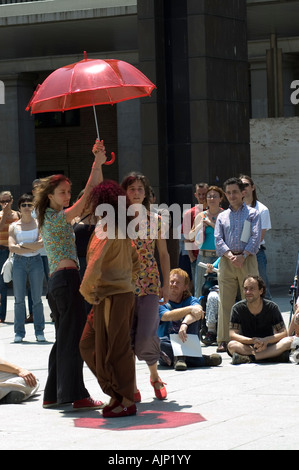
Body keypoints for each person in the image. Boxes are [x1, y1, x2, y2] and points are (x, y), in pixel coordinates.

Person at [34, 139, 106, 411]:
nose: (67, 196)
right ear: (50, 195)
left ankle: (53, 394)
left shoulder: (53, 217)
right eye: (63, 193)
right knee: (73, 339)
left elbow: (90, 193)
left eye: (68, 192)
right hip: (66, 280)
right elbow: (87, 196)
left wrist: (98, 163)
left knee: (64, 338)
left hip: (59, 282)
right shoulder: (54, 217)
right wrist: (95, 163)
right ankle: (74, 395)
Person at [79, 180, 140, 418]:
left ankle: (125, 399)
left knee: (117, 348)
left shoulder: (107, 227)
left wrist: (86, 292)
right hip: (116, 295)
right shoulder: (118, 227)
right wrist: (128, 281)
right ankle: (118, 393)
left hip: (111, 297)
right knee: (90, 344)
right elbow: (135, 261)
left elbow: (93, 266)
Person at [121, 172, 170, 401]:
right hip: (124, 285)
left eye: (140, 189)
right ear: (125, 193)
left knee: (146, 335)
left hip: (150, 283)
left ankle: (154, 375)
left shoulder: (156, 220)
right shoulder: (117, 221)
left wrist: (167, 285)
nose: (136, 193)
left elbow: (163, 253)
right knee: (127, 336)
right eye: (132, 189)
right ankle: (131, 384)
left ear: (146, 193)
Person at [214, 177, 261, 353]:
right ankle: (224, 339)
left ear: (242, 193)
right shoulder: (222, 216)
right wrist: (230, 255)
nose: (232, 195)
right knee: (225, 301)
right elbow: (218, 239)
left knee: (250, 299)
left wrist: (244, 255)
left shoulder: (252, 214)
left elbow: (255, 237)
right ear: (225, 195)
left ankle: (250, 337)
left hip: (247, 260)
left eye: (235, 192)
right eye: (229, 192)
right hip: (227, 262)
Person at [158, 268, 222, 370]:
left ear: (185, 287)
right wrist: (189, 309)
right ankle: (199, 360)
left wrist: (184, 324)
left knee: (196, 315)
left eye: (178, 282)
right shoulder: (160, 302)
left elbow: (198, 311)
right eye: (172, 281)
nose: (174, 284)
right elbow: (166, 316)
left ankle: (181, 359)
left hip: (188, 342)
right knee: (158, 344)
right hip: (169, 344)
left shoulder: (191, 300)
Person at [228, 276, 293, 364]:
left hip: (268, 345)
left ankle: (251, 358)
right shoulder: (237, 308)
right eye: (245, 289)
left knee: (289, 341)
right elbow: (232, 334)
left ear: (261, 291)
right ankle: (271, 356)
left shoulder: (272, 307)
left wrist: (265, 340)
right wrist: (252, 341)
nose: (248, 292)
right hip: (247, 346)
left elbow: (283, 333)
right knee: (232, 345)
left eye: (252, 289)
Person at [8, 193, 46, 343]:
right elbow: (11, 247)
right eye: (23, 205)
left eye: (29, 204)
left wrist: (22, 246)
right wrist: (30, 247)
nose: (26, 207)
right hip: (19, 263)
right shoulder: (13, 226)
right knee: (18, 299)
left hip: (36, 262)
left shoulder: (39, 224)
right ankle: (19, 332)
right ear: (19, 207)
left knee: (37, 299)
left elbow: (41, 244)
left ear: (33, 207)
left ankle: (39, 331)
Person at [240, 175, 272, 299]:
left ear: (253, 187)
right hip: (238, 254)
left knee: (262, 289)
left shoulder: (262, 210)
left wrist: (245, 254)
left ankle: (271, 317)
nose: (244, 188)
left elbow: (259, 237)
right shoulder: (236, 209)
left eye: (246, 185)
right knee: (243, 290)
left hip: (256, 254)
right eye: (241, 185)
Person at [189, 185, 224, 297]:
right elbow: (190, 236)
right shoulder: (201, 215)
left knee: (222, 289)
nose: (212, 199)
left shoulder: (225, 215)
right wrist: (199, 225)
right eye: (209, 196)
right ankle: (199, 313)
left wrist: (210, 224)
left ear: (221, 198)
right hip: (204, 256)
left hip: (220, 257)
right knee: (200, 290)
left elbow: (226, 235)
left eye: (215, 196)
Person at [181, 183, 209, 291]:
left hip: (215, 256)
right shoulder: (189, 213)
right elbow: (187, 238)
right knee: (199, 287)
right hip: (197, 258)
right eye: (199, 194)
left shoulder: (218, 211)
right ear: (195, 195)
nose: (202, 197)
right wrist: (191, 257)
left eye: (204, 194)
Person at [0, 191, 20, 323]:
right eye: (2, 201)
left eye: (7, 200)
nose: (5, 203)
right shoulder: (0, 215)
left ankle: (21, 315)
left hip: (14, 251)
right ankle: (2, 315)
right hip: (1, 250)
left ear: (12, 200)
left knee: (19, 282)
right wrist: (4, 216)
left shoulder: (17, 215)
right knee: (2, 284)